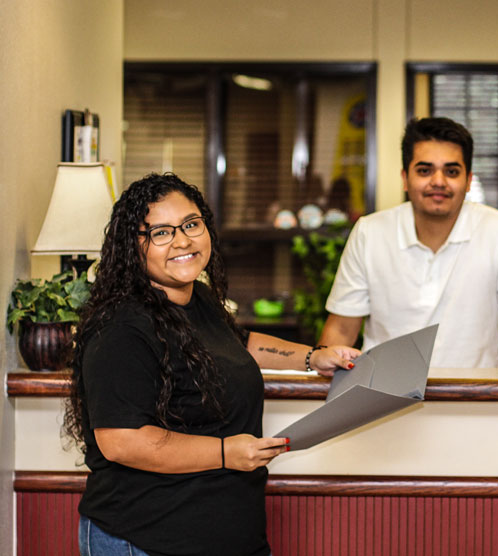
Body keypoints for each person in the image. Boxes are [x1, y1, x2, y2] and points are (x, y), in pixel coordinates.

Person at [63, 173, 359, 556]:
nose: (183, 240)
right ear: (132, 246)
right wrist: (225, 453)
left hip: (227, 537)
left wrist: (312, 356)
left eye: (190, 224)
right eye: (161, 232)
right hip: (144, 540)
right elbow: (121, 441)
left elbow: (239, 344)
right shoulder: (121, 326)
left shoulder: (196, 298)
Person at [319, 117, 498, 368]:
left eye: (452, 172)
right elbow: (342, 328)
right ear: (404, 178)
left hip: (475, 399)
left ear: (468, 180)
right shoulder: (370, 233)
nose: (438, 181)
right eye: (424, 170)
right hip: (381, 400)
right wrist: (316, 395)